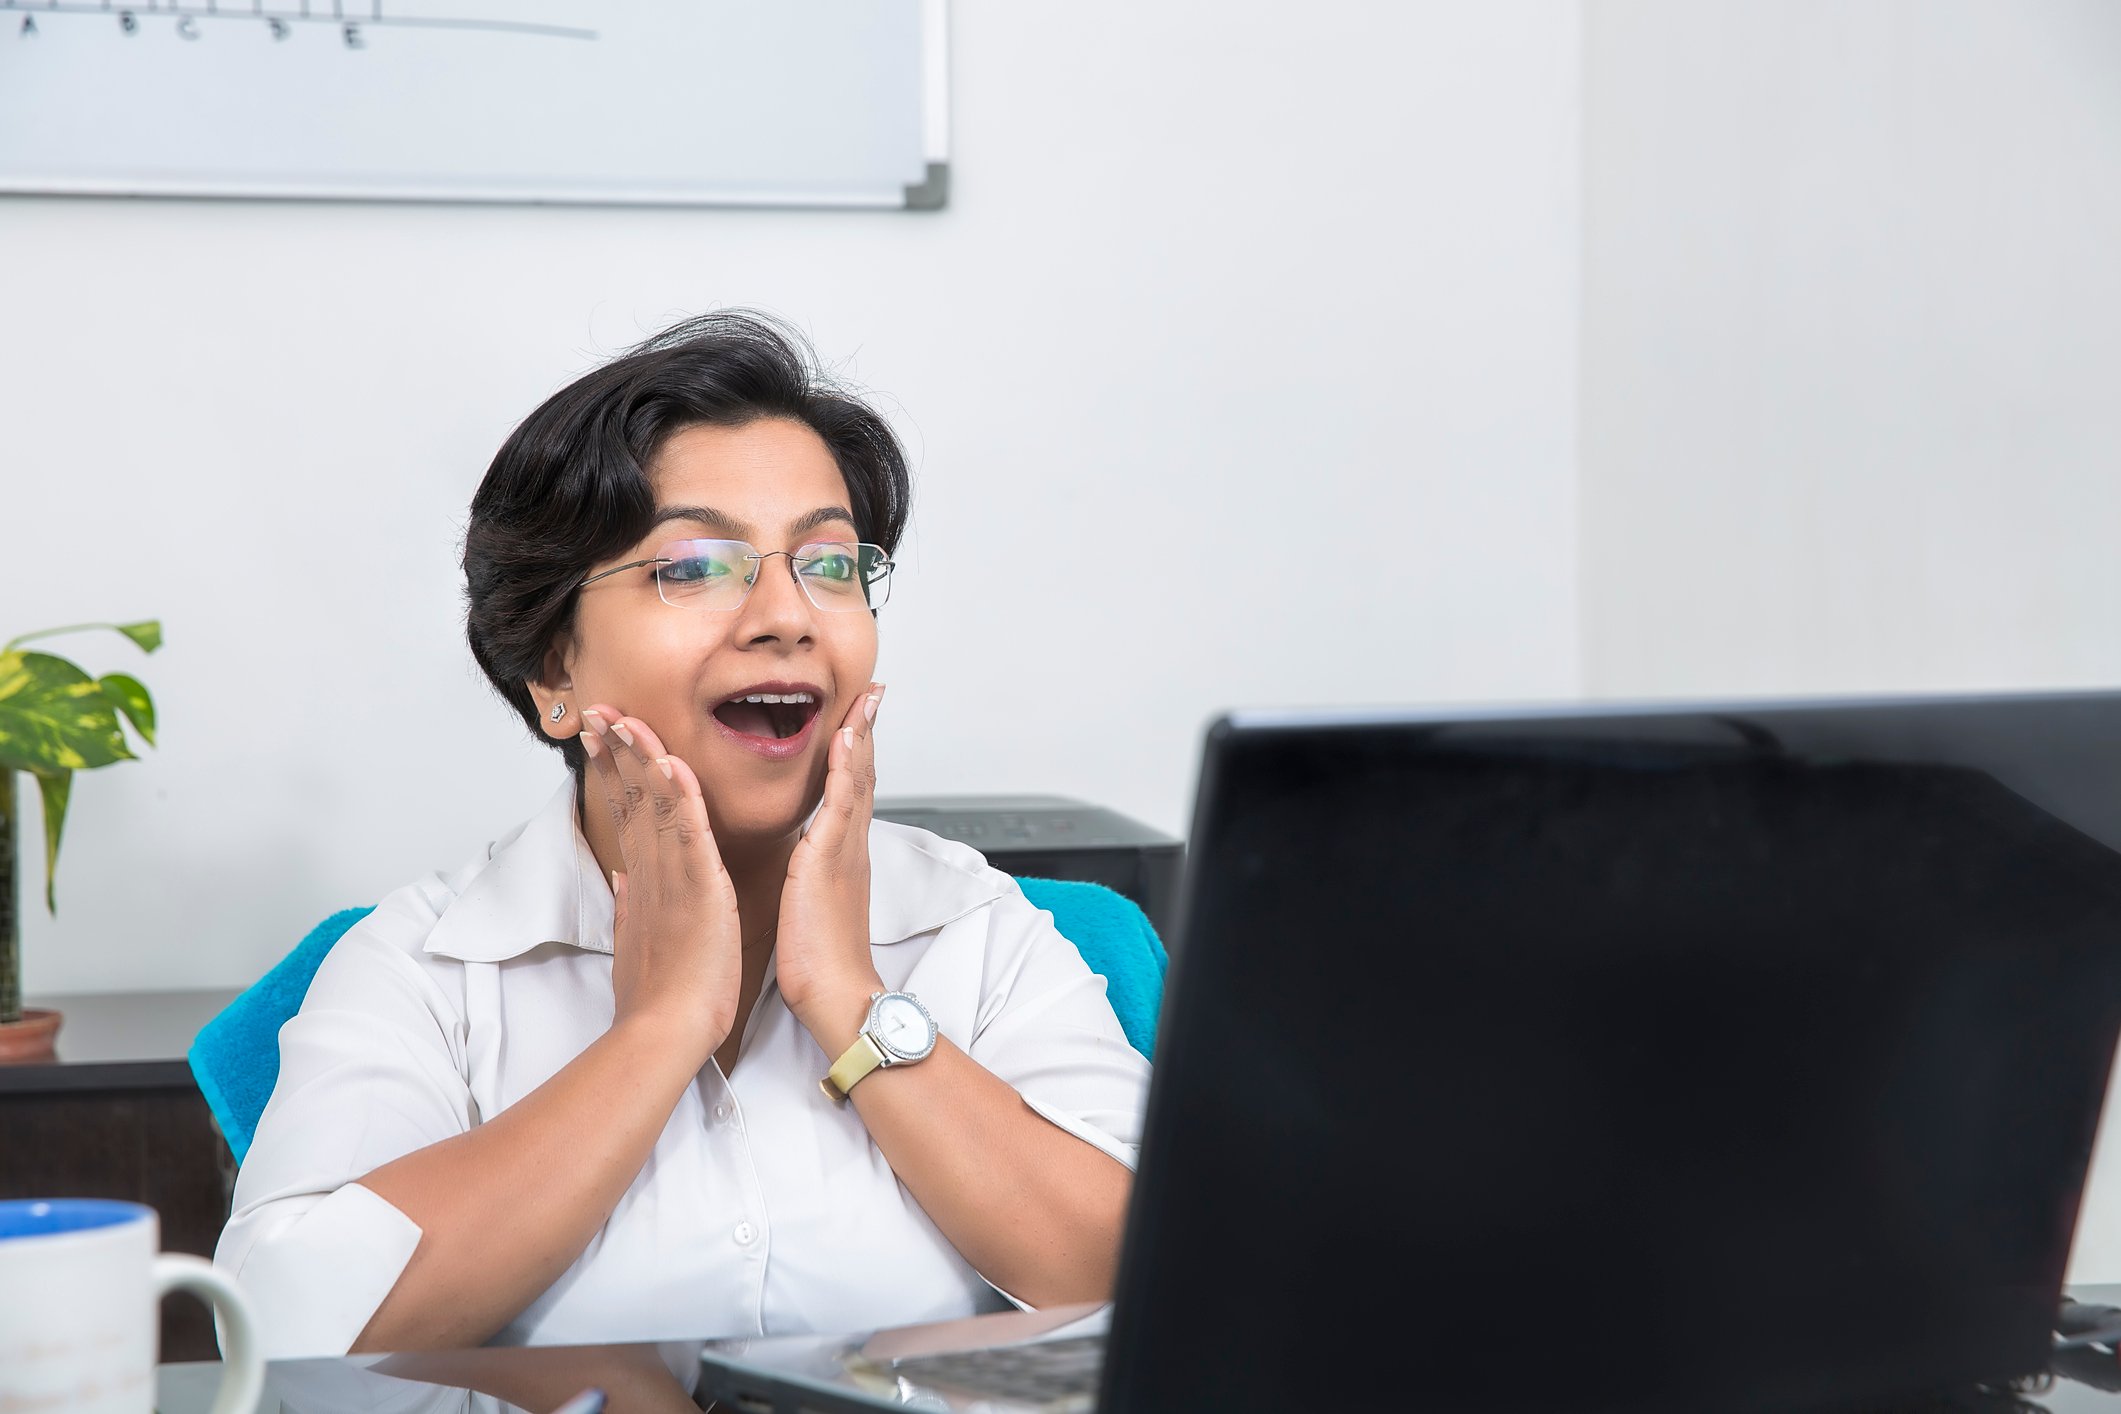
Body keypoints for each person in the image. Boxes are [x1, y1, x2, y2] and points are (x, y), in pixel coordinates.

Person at [216, 312, 1150, 1359]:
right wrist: (659, 1029)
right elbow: (284, 1334)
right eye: (695, 566)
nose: (785, 614)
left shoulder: (979, 929)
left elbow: (1164, 1282)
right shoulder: (429, 965)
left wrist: (852, 1000)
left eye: (830, 564)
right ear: (553, 671)